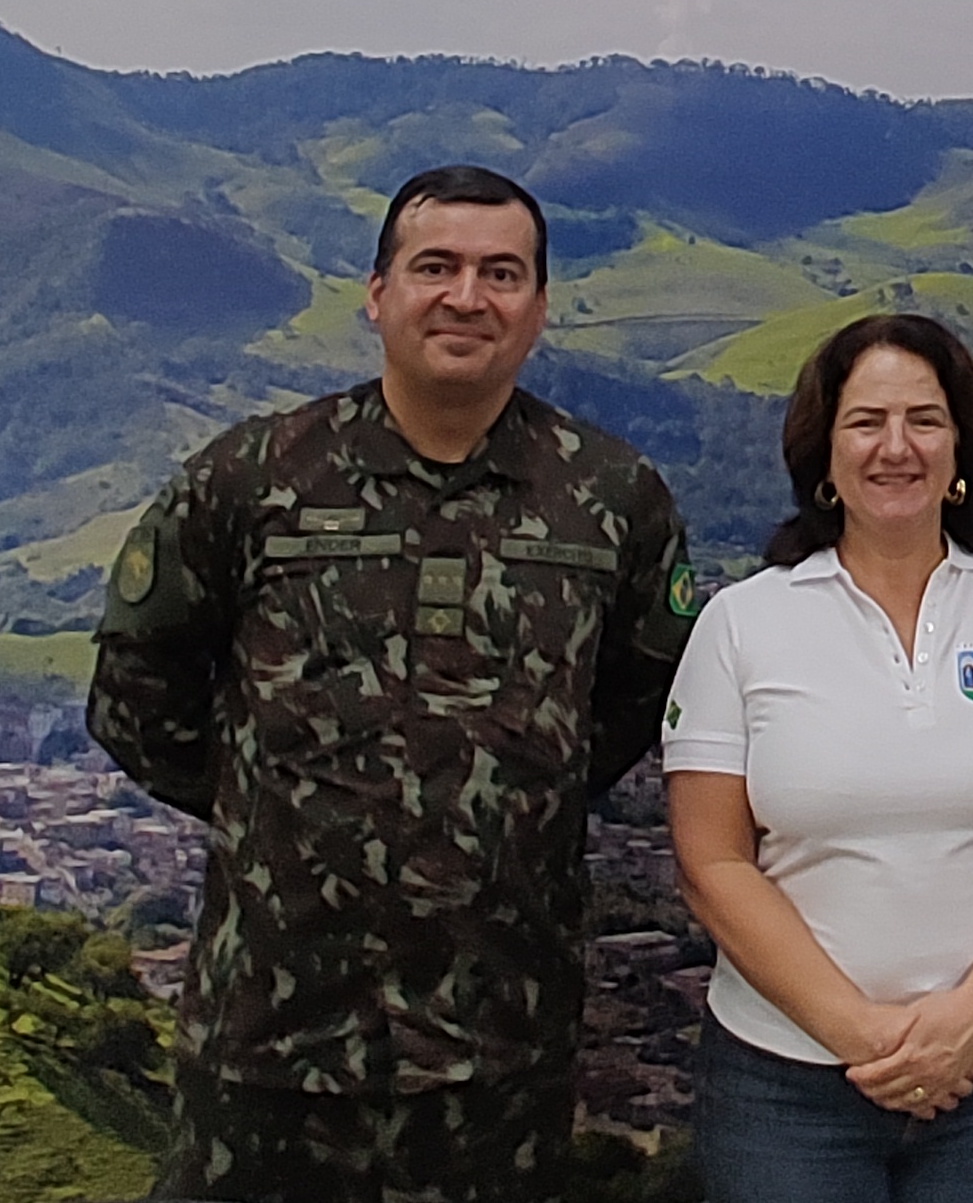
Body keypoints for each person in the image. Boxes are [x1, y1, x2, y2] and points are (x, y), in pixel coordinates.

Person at [89, 164, 698, 1203]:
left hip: (498, 1044)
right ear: (377, 293)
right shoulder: (254, 478)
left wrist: (493, 811)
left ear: (539, 308)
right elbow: (138, 698)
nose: (468, 296)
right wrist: (278, 811)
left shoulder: (610, 499)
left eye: (501, 273)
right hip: (273, 1032)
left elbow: (634, 707)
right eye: (436, 267)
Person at [663, 311, 973, 1203]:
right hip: (783, 1081)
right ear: (823, 455)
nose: (895, 447)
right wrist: (863, 1035)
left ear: (963, 448)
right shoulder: (744, 622)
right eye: (866, 422)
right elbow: (710, 858)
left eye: (924, 419)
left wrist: (969, 1019)